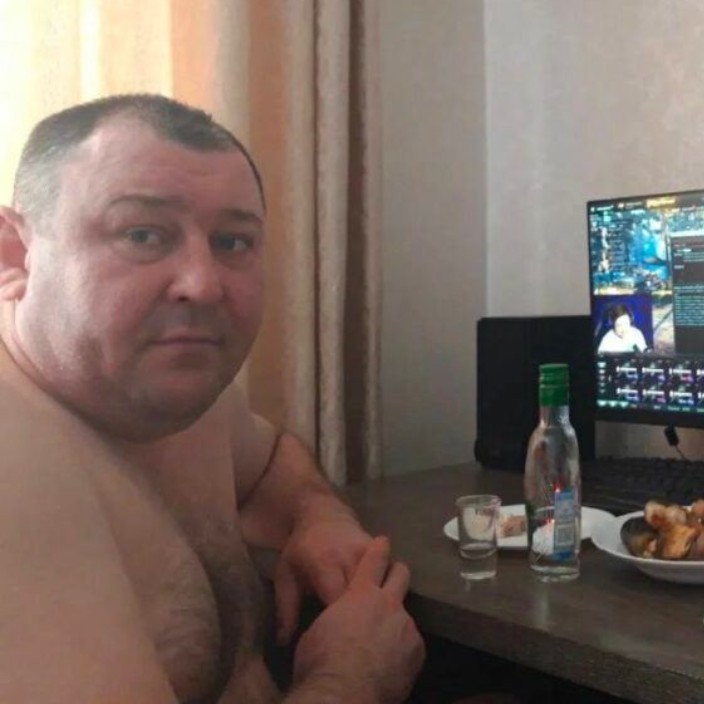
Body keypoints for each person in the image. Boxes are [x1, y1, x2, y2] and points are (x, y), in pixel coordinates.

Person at [0, 95, 515, 704]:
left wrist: (319, 516)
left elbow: (272, 460)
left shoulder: (173, 398)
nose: (203, 284)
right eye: (142, 234)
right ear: (14, 255)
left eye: (233, 241)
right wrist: (354, 675)